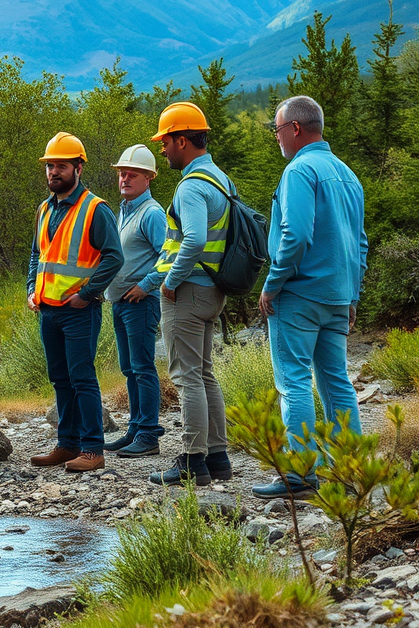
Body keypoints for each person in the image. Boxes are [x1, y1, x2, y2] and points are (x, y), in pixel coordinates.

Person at [252, 95, 368, 499]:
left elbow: (295, 235)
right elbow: (360, 243)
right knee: (337, 382)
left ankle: (300, 474)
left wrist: (273, 283)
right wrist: (352, 295)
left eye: (278, 130)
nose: (277, 138)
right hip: (338, 297)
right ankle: (349, 471)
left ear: (296, 129)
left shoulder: (299, 170)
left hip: (298, 295)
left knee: (294, 383)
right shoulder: (347, 175)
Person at [142, 102, 234, 487]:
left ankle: (192, 461)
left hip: (188, 291)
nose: (162, 149)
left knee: (186, 377)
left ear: (183, 140)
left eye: (165, 141)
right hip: (212, 290)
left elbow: (193, 238)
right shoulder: (220, 179)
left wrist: (170, 281)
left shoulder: (192, 185)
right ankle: (218, 458)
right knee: (205, 374)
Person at [28, 132, 124, 473]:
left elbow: (114, 257)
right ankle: (66, 445)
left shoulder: (96, 209)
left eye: (61, 166)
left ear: (78, 168)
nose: (54, 172)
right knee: (60, 378)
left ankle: (93, 450)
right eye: (50, 166)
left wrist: (86, 294)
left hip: (79, 312)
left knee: (82, 377)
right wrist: (31, 289)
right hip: (48, 310)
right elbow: (37, 255)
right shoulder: (44, 208)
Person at [103, 145, 167, 457]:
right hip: (120, 301)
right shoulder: (125, 211)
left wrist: (146, 285)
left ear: (148, 178)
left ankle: (149, 434)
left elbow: (169, 256)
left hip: (141, 303)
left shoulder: (152, 213)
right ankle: (135, 428)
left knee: (142, 367)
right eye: (122, 174)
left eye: (132, 174)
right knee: (129, 368)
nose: (125, 178)